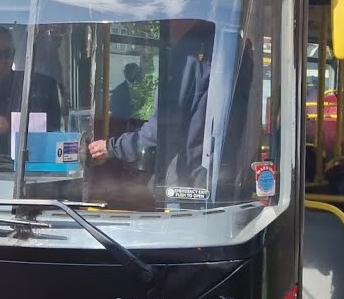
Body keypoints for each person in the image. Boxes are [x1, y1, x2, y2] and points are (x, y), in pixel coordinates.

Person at [88, 20, 241, 191]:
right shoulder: (225, 47)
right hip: (219, 173)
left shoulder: (186, 59)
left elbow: (161, 127)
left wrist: (113, 147)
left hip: (187, 177)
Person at [0, 26, 61, 155]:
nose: (4, 60)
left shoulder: (35, 88)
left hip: (29, 167)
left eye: (8, 54)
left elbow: (52, 131)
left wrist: (9, 124)